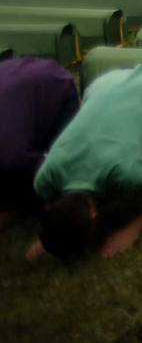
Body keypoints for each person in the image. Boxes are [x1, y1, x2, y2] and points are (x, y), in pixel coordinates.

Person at [30, 66, 142, 260]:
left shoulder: (122, 172)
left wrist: (133, 229)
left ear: (95, 215)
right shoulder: (46, 177)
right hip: (105, 84)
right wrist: (50, 234)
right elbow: (49, 204)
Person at [0, 57, 79, 229]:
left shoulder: (11, 157)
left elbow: (50, 169)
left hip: (54, 83)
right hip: (16, 71)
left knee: (66, 158)